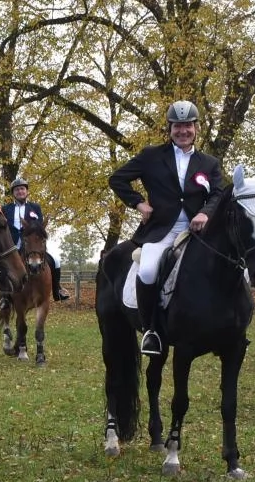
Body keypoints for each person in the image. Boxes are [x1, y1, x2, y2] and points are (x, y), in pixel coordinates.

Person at [108, 100, 224, 355]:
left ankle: (228, 328)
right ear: (169, 129)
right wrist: (139, 203)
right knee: (148, 270)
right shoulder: (151, 156)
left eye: (188, 126)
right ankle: (151, 331)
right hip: (162, 230)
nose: (183, 131)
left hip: (198, 233)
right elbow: (117, 179)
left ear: (197, 128)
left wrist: (205, 213)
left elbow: (218, 193)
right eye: (177, 126)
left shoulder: (209, 163)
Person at [4, 177, 70, 301]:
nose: (20, 192)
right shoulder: (6, 209)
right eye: (17, 190)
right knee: (2, 266)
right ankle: (5, 297)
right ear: (13, 193)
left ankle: (57, 290)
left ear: (26, 191)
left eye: (22, 189)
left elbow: (39, 227)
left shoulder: (35, 207)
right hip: (12, 246)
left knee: (56, 260)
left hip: (32, 246)